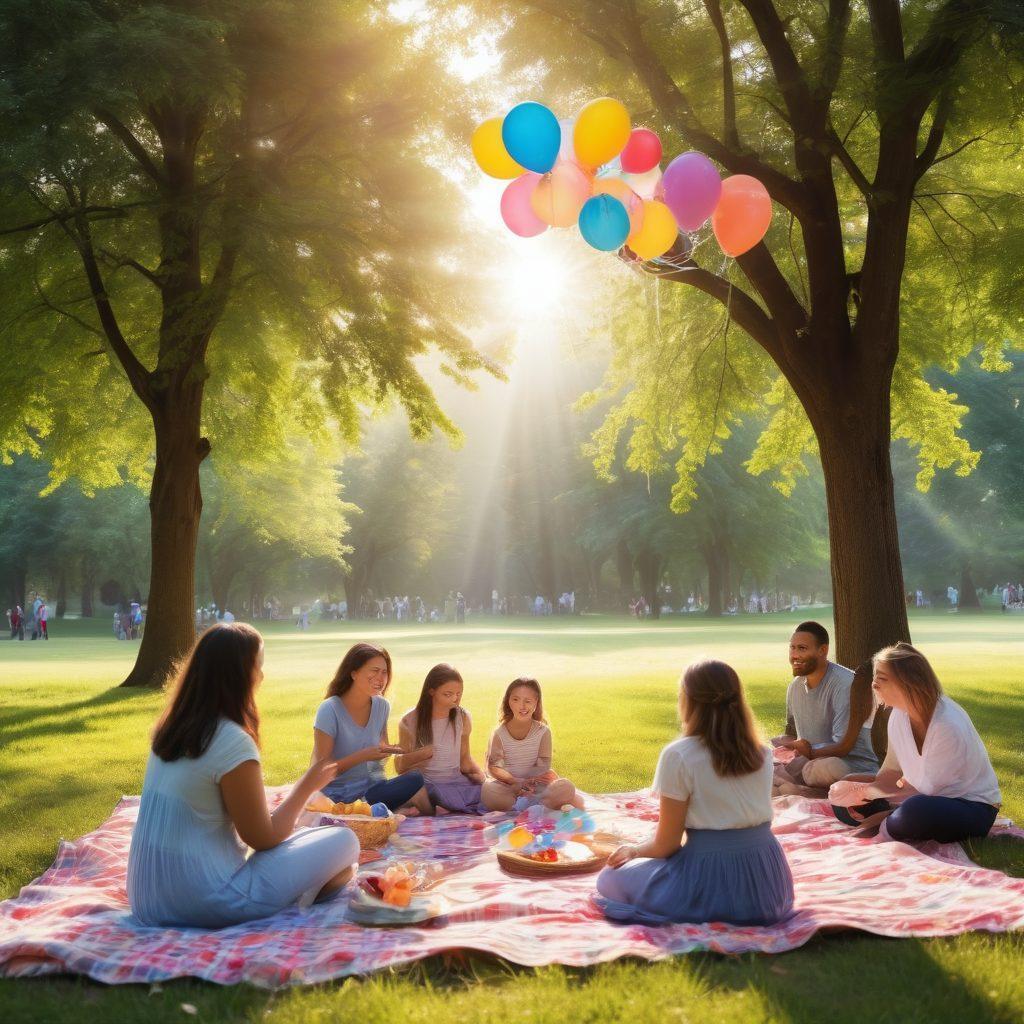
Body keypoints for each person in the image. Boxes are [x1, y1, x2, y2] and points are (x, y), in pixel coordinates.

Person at [126, 623, 359, 927]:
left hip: (146, 900)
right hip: (208, 900)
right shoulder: (231, 740)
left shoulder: (171, 730)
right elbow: (261, 838)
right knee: (345, 841)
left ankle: (300, 885)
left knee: (308, 840)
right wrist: (306, 786)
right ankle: (298, 894)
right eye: (258, 666)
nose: (262, 676)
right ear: (237, 674)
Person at [594, 659, 794, 926]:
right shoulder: (762, 753)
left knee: (609, 878)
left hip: (710, 881)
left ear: (689, 701)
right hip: (767, 884)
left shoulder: (680, 755)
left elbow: (667, 845)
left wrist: (633, 851)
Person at [828, 643, 1001, 843]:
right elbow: (891, 772)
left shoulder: (946, 725)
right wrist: (857, 790)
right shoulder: (898, 715)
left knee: (915, 811)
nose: (874, 685)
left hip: (968, 807)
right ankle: (891, 819)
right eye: (875, 677)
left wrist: (868, 792)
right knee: (844, 791)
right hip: (917, 797)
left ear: (908, 683)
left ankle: (889, 821)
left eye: (881, 679)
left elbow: (928, 791)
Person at [311, 642, 431, 814]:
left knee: (415, 778)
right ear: (354, 673)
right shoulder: (329, 709)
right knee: (414, 792)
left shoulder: (382, 705)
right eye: (374, 671)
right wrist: (363, 756)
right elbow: (321, 771)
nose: (381, 678)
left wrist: (403, 750)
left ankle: (377, 811)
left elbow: (383, 748)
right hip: (336, 796)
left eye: (384, 672)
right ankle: (379, 811)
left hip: (372, 789)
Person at [773, 621, 878, 792]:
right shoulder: (794, 687)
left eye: (802, 648)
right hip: (808, 762)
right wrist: (785, 745)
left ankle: (803, 792)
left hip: (848, 765)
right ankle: (797, 789)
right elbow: (791, 734)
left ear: (823, 650)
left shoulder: (845, 684)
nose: (795, 655)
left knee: (821, 769)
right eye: (792, 648)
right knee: (761, 764)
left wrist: (809, 751)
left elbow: (843, 746)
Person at [395, 664, 492, 814]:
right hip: (426, 784)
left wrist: (483, 778)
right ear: (431, 691)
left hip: (454, 782)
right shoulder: (410, 721)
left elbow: (465, 760)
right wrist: (422, 754)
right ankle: (431, 806)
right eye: (448, 694)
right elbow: (400, 767)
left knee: (494, 793)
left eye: (459, 694)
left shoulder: (462, 717)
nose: (455, 699)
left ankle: (433, 808)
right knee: (420, 792)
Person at [482, 677, 583, 811]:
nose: (522, 706)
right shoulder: (499, 733)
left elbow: (543, 765)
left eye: (528, 701)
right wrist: (517, 783)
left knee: (566, 787)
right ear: (508, 701)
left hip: (536, 783)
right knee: (488, 790)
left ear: (536, 703)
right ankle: (536, 805)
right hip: (509, 785)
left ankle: (533, 803)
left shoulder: (543, 732)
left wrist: (530, 782)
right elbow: (494, 767)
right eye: (516, 700)